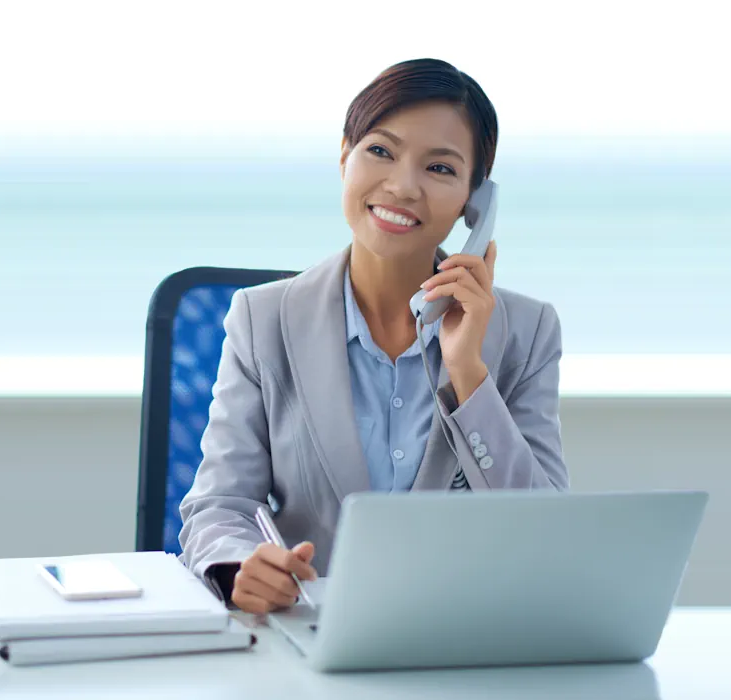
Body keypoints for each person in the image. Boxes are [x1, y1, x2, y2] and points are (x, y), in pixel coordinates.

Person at [177, 58, 569, 615]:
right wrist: (242, 566)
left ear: (473, 204)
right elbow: (220, 505)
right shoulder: (261, 320)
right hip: (311, 635)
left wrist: (468, 375)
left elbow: (549, 533)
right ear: (345, 157)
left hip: (466, 637)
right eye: (380, 152)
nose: (402, 186)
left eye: (439, 168)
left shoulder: (526, 333)